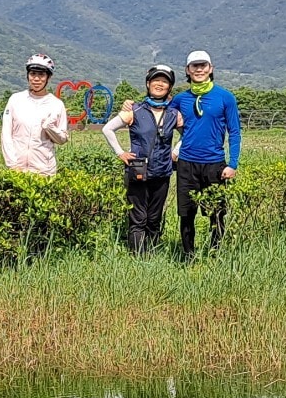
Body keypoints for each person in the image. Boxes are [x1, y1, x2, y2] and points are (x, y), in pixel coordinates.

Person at [103, 64, 183, 253]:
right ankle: (138, 256)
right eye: (156, 80)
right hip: (138, 170)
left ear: (170, 87)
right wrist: (120, 153)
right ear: (148, 83)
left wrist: (175, 152)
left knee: (154, 217)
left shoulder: (174, 113)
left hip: (162, 171)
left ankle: (153, 253)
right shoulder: (134, 110)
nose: (159, 84)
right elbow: (108, 129)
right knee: (138, 217)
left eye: (164, 81)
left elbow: (187, 134)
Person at [169, 50, 240, 257]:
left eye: (203, 65)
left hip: (215, 164)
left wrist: (232, 164)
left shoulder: (225, 97)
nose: (199, 69)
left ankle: (215, 254)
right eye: (194, 66)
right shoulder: (180, 99)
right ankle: (188, 256)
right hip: (186, 164)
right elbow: (159, 113)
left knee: (217, 214)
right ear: (187, 71)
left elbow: (234, 132)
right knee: (186, 213)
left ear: (211, 69)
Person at [1, 53, 69, 174]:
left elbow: (62, 139)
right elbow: (6, 135)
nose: (36, 79)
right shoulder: (15, 100)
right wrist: (13, 165)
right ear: (27, 75)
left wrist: (50, 127)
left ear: (49, 77)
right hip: (16, 168)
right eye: (33, 74)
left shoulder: (56, 104)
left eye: (41, 75)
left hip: (44, 170)